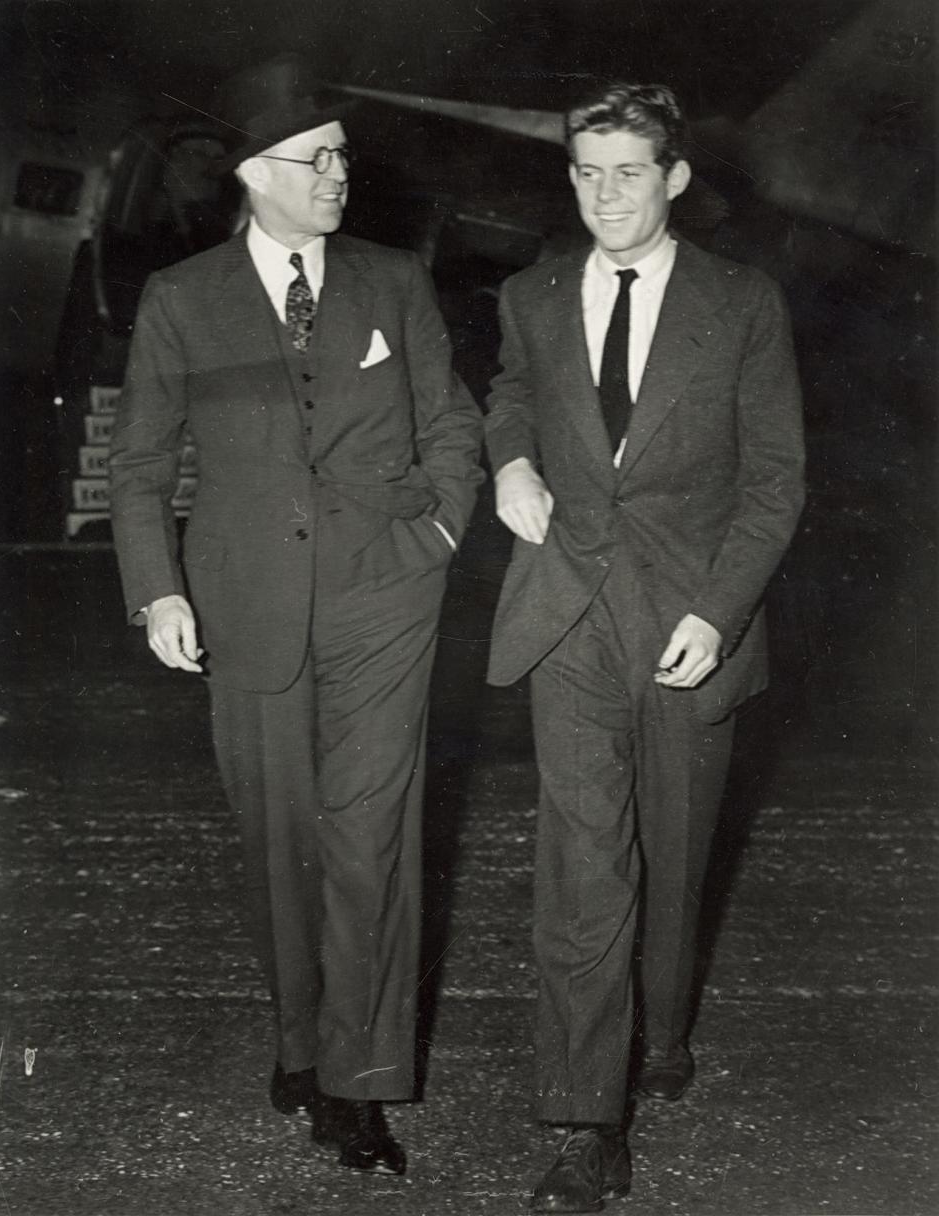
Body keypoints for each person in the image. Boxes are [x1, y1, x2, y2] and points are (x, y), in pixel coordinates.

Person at [108, 55, 483, 1178]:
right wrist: (158, 588)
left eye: (343, 158)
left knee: (372, 837)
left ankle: (355, 1081)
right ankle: (297, 1037)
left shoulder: (392, 281)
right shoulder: (183, 299)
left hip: (386, 593)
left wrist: (442, 537)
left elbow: (451, 425)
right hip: (247, 603)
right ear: (255, 176)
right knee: (280, 839)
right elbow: (138, 466)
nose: (338, 175)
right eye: (317, 159)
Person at [485, 81, 804, 1211]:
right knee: (582, 866)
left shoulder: (743, 303)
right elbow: (515, 393)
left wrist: (718, 613)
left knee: (675, 850)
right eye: (585, 171)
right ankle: (584, 1119)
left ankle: (660, 1029)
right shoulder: (531, 293)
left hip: (689, 619)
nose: (604, 194)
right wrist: (510, 459)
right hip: (566, 606)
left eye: (628, 171)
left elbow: (775, 484)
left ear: (673, 179)